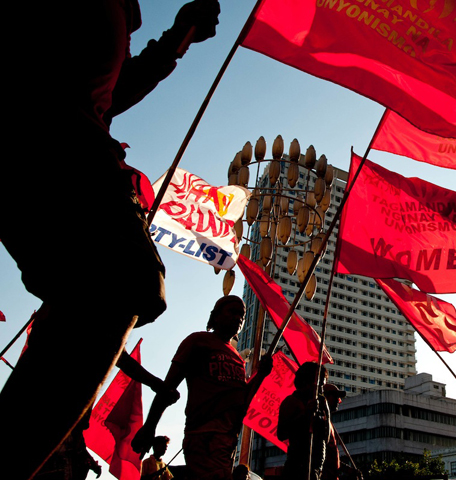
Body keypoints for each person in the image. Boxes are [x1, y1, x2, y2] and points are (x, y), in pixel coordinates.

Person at [1, 1, 221, 477]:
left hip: (60, 139)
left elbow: (109, 92)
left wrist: (178, 38)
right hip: (48, 136)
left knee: (114, 287)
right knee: (125, 277)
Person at [133, 296, 273, 480]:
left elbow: (241, 403)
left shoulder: (239, 359)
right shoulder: (197, 341)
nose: (238, 318)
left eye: (242, 315)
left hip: (228, 442)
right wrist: (150, 426)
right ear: (215, 316)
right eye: (232, 311)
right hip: (203, 436)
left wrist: (260, 376)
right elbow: (167, 388)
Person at [277, 362, 330, 480]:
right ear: (306, 383)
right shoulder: (291, 402)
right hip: (296, 468)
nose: (321, 389)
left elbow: (326, 437)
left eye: (323, 385)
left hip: (316, 468)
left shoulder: (322, 402)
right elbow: (281, 434)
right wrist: (305, 414)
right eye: (319, 385)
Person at [321, 384, 362, 480]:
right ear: (325, 398)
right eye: (335, 396)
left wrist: (349, 470)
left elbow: (331, 458)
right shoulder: (320, 420)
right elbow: (323, 457)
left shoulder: (328, 422)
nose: (338, 400)